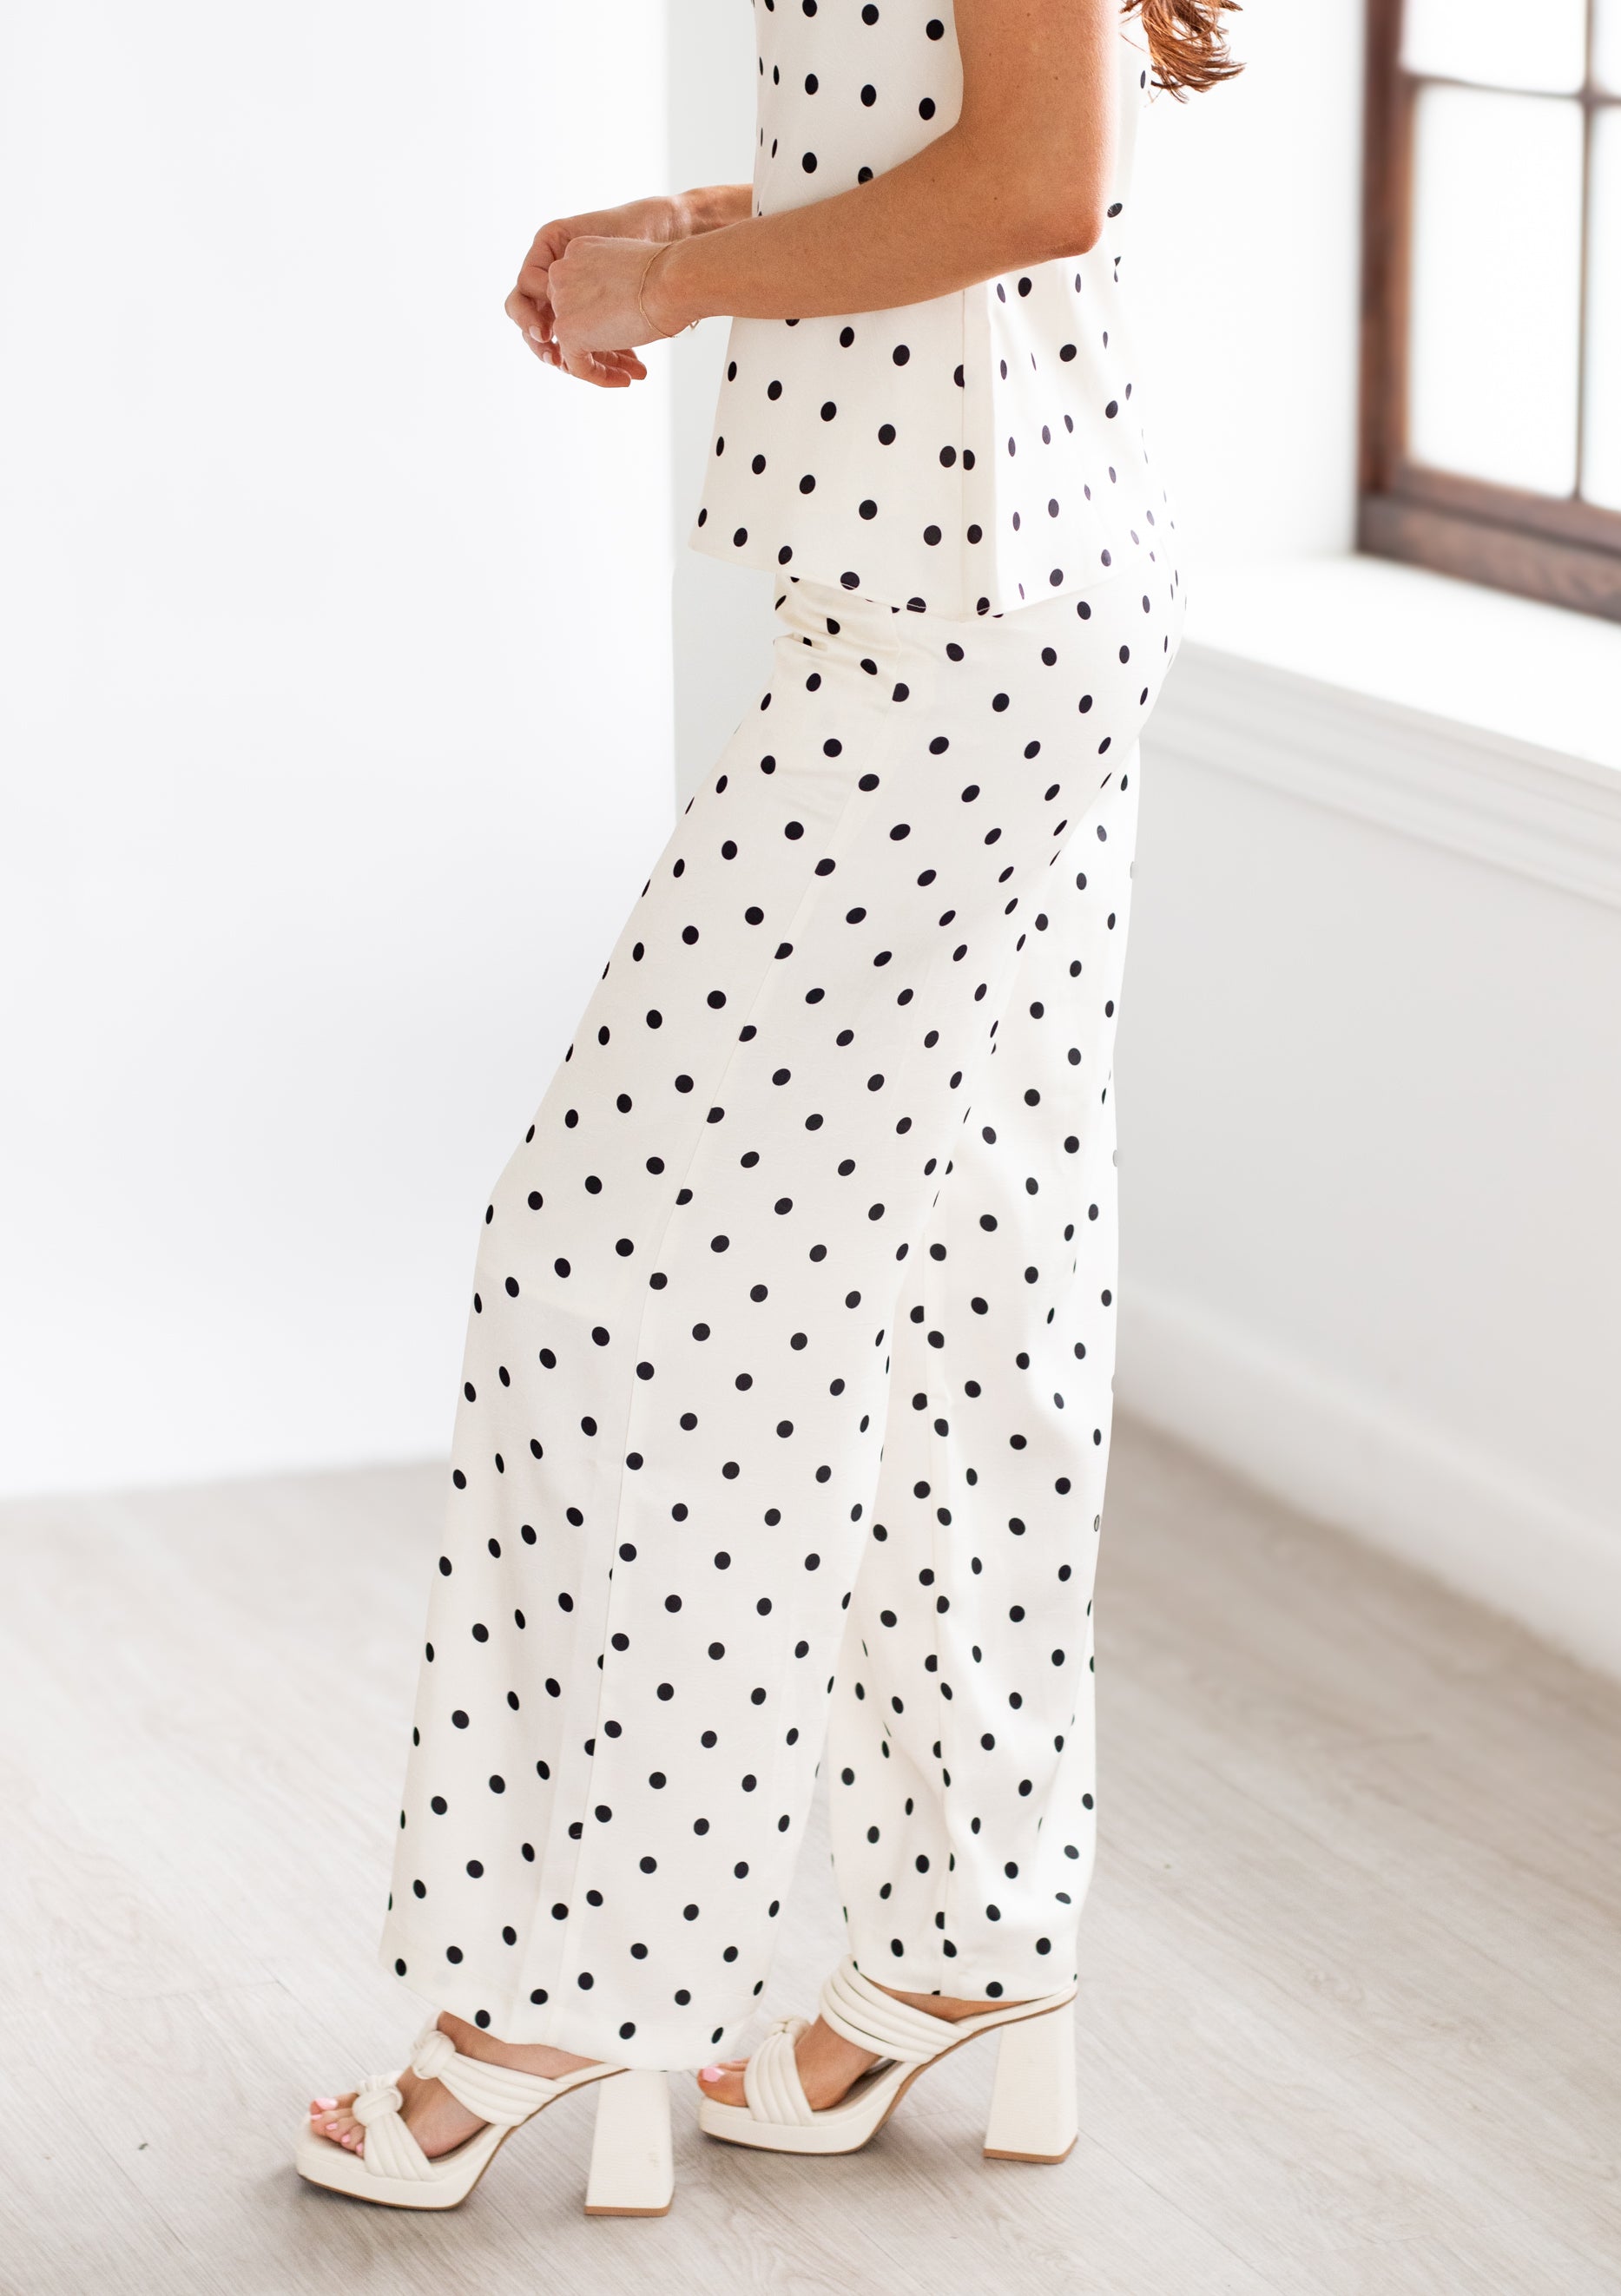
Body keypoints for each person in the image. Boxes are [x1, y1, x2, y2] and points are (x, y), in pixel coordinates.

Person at [296, 0, 1240, 2218]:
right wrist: (697, 223)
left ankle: (563, 1993)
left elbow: (1039, 180)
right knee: (957, 1289)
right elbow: (978, 153)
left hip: (963, 625)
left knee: (624, 1273)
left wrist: (681, 283)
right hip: (992, 599)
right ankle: (961, 1948)